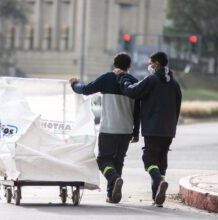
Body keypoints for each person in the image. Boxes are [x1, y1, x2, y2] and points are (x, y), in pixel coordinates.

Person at [69, 52, 140, 203]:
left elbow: (87, 89)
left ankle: (114, 179)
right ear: (129, 66)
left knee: (103, 160)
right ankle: (112, 194)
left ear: (114, 64)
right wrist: (136, 131)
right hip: (126, 129)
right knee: (118, 161)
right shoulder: (134, 82)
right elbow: (138, 110)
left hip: (109, 128)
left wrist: (74, 84)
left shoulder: (107, 78)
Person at [114, 51, 182, 207]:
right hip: (169, 130)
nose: (149, 66)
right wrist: (172, 126)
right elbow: (177, 108)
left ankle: (159, 182)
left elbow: (132, 91)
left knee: (149, 159)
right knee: (161, 160)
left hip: (153, 128)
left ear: (157, 64)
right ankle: (156, 196)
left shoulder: (151, 80)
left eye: (150, 63)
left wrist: (122, 79)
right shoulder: (175, 84)